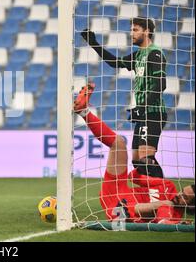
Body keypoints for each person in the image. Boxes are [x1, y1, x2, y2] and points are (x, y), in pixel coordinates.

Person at [74, 82, 194, 224]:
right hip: (117, 189)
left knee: (163, 204)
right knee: (118, 144)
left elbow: (162, 222)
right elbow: (133, 177)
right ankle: (84, 111)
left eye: (184, 198)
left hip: (121, 210)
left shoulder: (174, 214)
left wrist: (172, 216)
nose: (179, 195)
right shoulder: (168, 186)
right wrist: (144, 168)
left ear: (191, 206)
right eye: (182, 192)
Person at [81, 17, 167, 178]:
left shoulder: (155, 54)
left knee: (145, 158)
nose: (131, 34)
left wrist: (142, 108)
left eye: (135, 30)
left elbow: (160, 85)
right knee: (137, 160)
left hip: (154, 113)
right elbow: (115, 62)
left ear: (147, 31)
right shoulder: (138, 55)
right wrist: (94, 43)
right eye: (131, 30)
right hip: (144, 113)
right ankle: (153, 195)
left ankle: (163, 195)